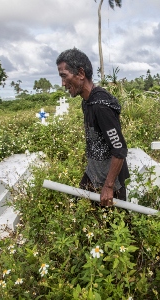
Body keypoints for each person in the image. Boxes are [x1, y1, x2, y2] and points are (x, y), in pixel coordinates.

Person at [56, 48, 129, 206]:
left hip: (110, 180)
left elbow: (120, 149)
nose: (63, 83)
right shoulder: (87, 102)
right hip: (94, 172)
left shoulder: (100, 106)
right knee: (80, 211)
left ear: (81, 73)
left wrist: (108, 186)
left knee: (115, 225)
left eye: (64, 76)